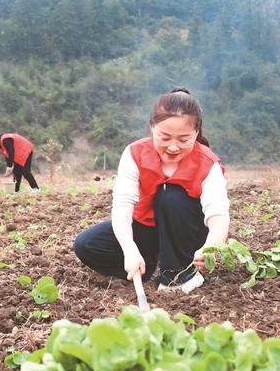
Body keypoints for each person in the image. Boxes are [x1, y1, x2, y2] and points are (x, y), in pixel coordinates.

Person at [73, 87, 229, 293]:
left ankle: (178, 275)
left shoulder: (208, 163)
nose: (173, 147)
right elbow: (123, 207)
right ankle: (151, 267)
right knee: (86, 245)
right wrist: (129, 250)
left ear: (196, 133)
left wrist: (211, 246)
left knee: (170, 196)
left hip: (187, 232)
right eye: (165, 137)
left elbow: (218, 214)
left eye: (183, 140)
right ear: (152, 127)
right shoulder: (134, 153)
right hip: (146, 228)